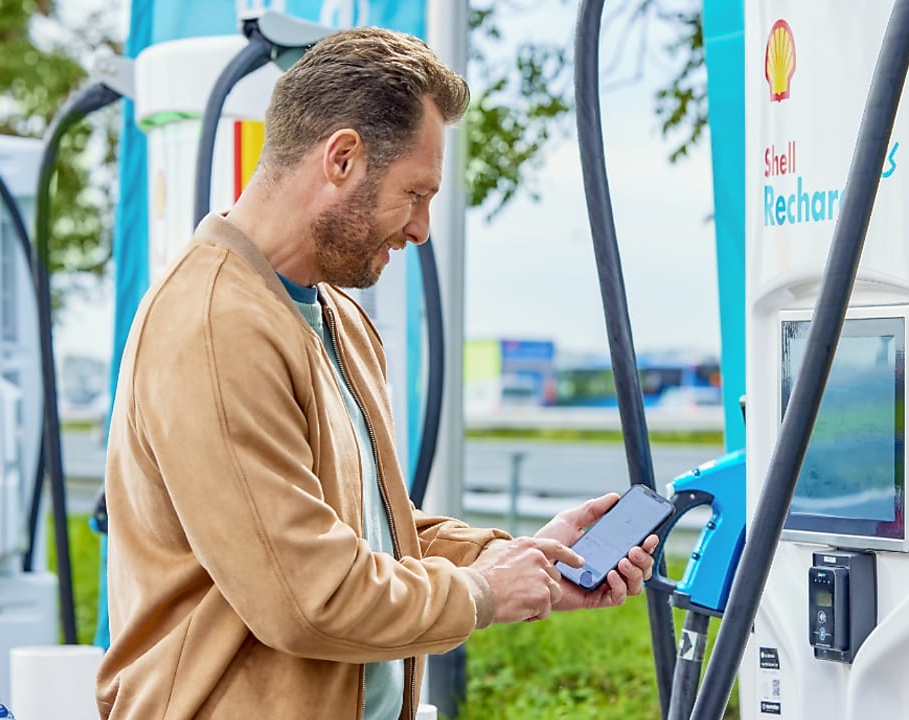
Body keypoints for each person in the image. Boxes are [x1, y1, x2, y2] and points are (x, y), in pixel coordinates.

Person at [96, 26, 659, 720]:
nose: (421, 229)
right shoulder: (215, 326)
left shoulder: (337, 318)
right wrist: (483, 594)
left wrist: (524, 558)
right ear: (341, 158)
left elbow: (366, 532)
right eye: (415, 194)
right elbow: (306, 595)